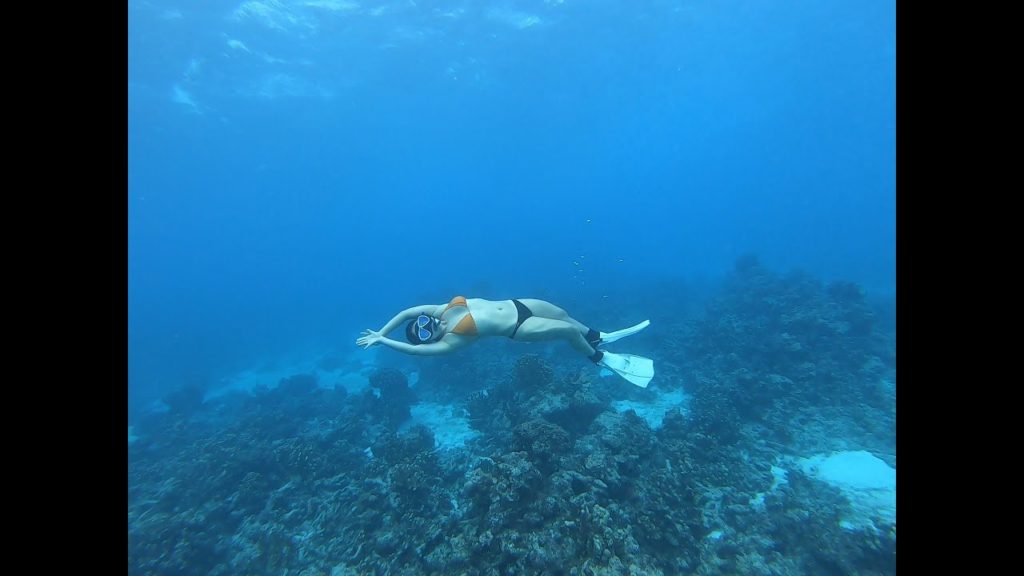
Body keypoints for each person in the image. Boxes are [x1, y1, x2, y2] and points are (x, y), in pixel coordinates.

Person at [356, 296, 654, 387]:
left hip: (519, 303)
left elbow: (407, 311)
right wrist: (385, 343)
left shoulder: (438, 311)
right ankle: (600, 358)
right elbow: (414, 352)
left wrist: (382, 331)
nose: (426, 325)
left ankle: (597, 336)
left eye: (421, 324)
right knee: (566, 331)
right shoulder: (451, 341)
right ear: (426, 341)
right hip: (519, 326)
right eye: (423, 333)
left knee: (564, 314)